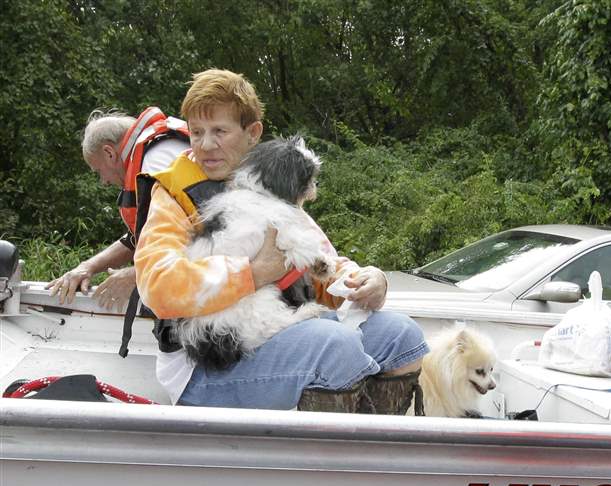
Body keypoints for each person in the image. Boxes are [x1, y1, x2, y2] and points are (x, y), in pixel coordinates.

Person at [134, 68, 428, 413]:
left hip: (279, 334)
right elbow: (157, 285)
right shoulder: (171, 196)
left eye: (220, 131)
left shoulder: (273, 185)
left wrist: (366, 280)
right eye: (196, 132)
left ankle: (379, 448)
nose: (205, 145)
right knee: (334, 342)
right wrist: (254, 273)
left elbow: (322, 264)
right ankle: (328, 463)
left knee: (400, 334)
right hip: (206, 367)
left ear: (252, 133)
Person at [46, 108, 190, 310]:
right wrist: (87, 267)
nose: (103, 181)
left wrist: (136, 275)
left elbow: (201, 235)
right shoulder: (161, 151)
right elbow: (145, 236)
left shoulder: (155, 166)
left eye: (98, 171)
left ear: (109, 153)